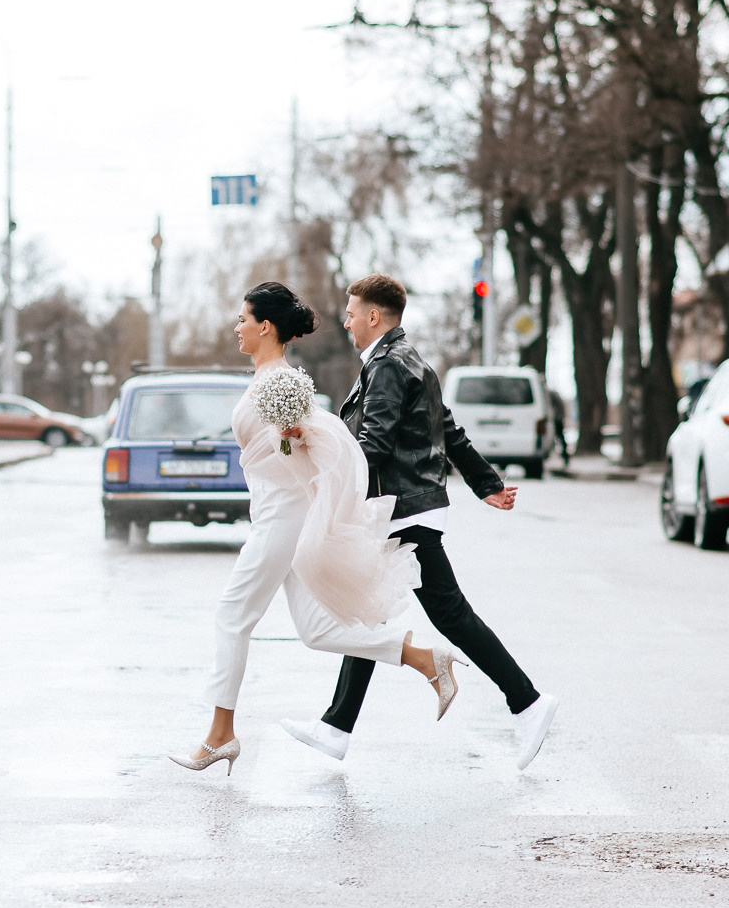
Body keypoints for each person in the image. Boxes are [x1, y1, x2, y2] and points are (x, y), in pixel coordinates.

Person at [170, 282, 461, 774]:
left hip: (283, 516)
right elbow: (291, 448)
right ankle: (426, 659)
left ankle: (221, 733)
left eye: (243, 319)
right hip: (277, 513)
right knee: (317, 629)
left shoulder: (278, 383)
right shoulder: (268, 378)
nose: (236, 327)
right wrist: (291, 442)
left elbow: (319, 443)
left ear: (265, 326)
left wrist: (297, 437)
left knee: (231, 616)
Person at [280, 273, 559, 769]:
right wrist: (487, 484)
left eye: (350, 314)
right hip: (409, 505)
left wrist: (328, 474)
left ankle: (529, 703)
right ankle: (336, 727)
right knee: (366, 616)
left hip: (399, 509)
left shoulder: (388, 366)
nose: (346, 323)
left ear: (373, 316)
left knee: (448, 615)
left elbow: (374, 443)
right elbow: (448, 431)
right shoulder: (411, 362)